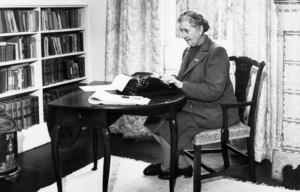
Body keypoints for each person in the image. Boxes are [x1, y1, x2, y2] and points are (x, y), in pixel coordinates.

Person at [143, 10, 240, 180]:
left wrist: (180, 84)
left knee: (167, 125)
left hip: (215, 111)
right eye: (181, 31)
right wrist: (169, 79)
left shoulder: (217, 52)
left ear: (200, 28)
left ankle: (167, 167)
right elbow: (186, 79)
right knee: (153, 119)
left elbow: (213, 91)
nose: (183, 35)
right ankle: (182, 165)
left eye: (186, 30)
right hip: (197, 106)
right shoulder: (191, 49)